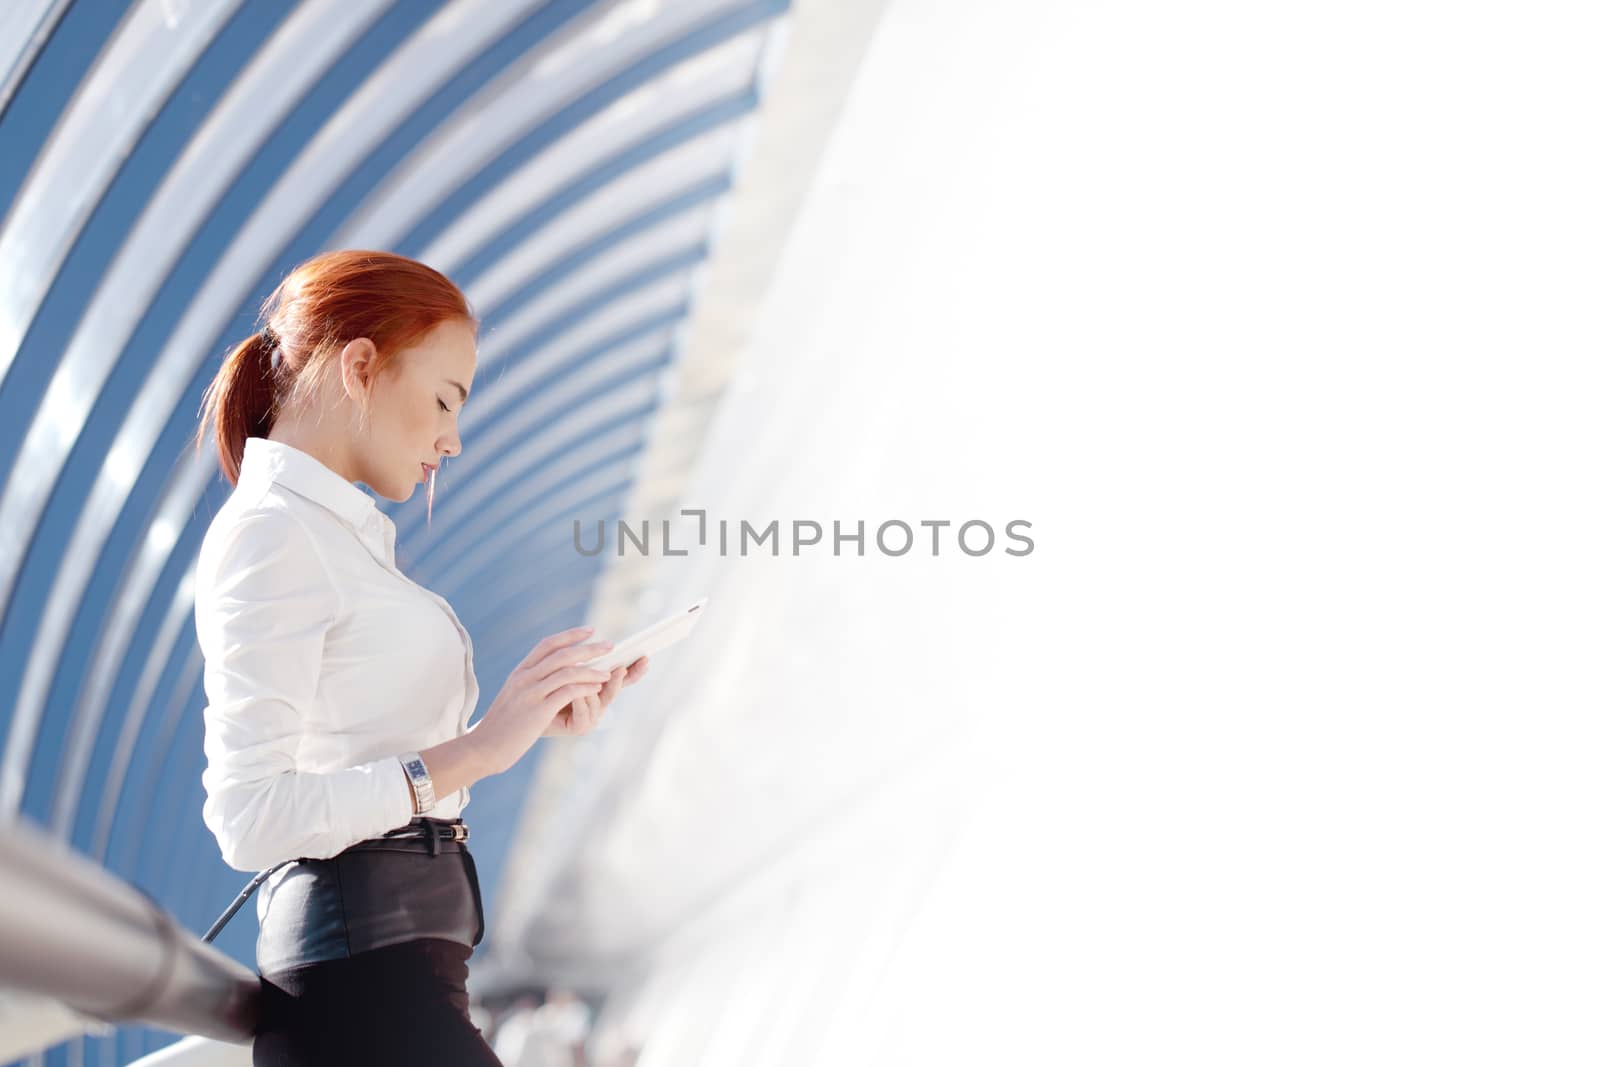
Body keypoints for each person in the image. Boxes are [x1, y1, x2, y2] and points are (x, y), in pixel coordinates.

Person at [190, 249, 649, 1065]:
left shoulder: (333, 538)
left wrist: (524, 723)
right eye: (444, 399)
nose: (455, 439)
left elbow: (370, 764)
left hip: (395, 985)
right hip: (363, 995)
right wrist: (478, 747)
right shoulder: (274, 534)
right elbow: (250, 814)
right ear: (361, 366)